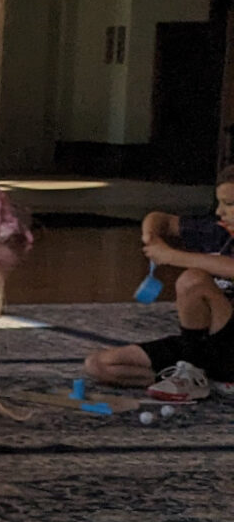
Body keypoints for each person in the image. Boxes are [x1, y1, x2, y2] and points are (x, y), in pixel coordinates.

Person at [82, 166, 234, 400]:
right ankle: (204, 377)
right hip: (204, 345)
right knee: (99, 364)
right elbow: (159, 218)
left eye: (228, 204)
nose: (219, 211)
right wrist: (151, 237)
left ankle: (193, 373)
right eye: (219, 203)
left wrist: (172, 256)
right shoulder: (217, 231)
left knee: (193, 280)